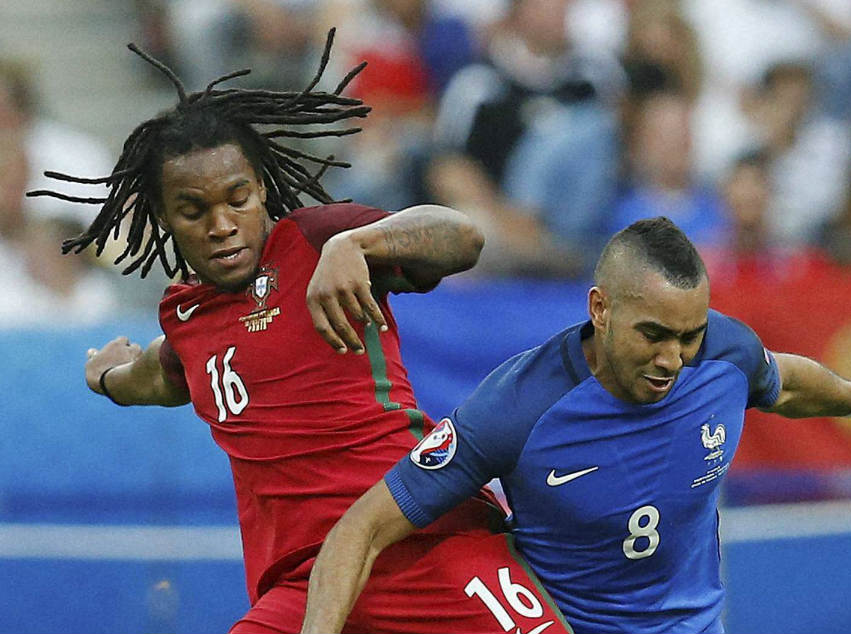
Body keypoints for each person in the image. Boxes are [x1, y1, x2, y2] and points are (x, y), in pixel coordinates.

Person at [29, 35, 569, 634]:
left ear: (261, 187)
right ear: (163, 216)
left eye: (237, 198)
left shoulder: (316, 241)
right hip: (303, 587)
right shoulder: (186, 318)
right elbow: (160, 375)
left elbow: (463, 238)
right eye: (194, 210)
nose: (221, 224)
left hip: (423, 540)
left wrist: (357, 243)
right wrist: (108, 376)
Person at [300, 217, 851, 634]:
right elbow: (361, 529)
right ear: (599, 309)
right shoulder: (518, 406)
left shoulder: (723, 354)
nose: (672, 359)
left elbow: (786, 382)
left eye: (688, 335)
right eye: (653, 334)